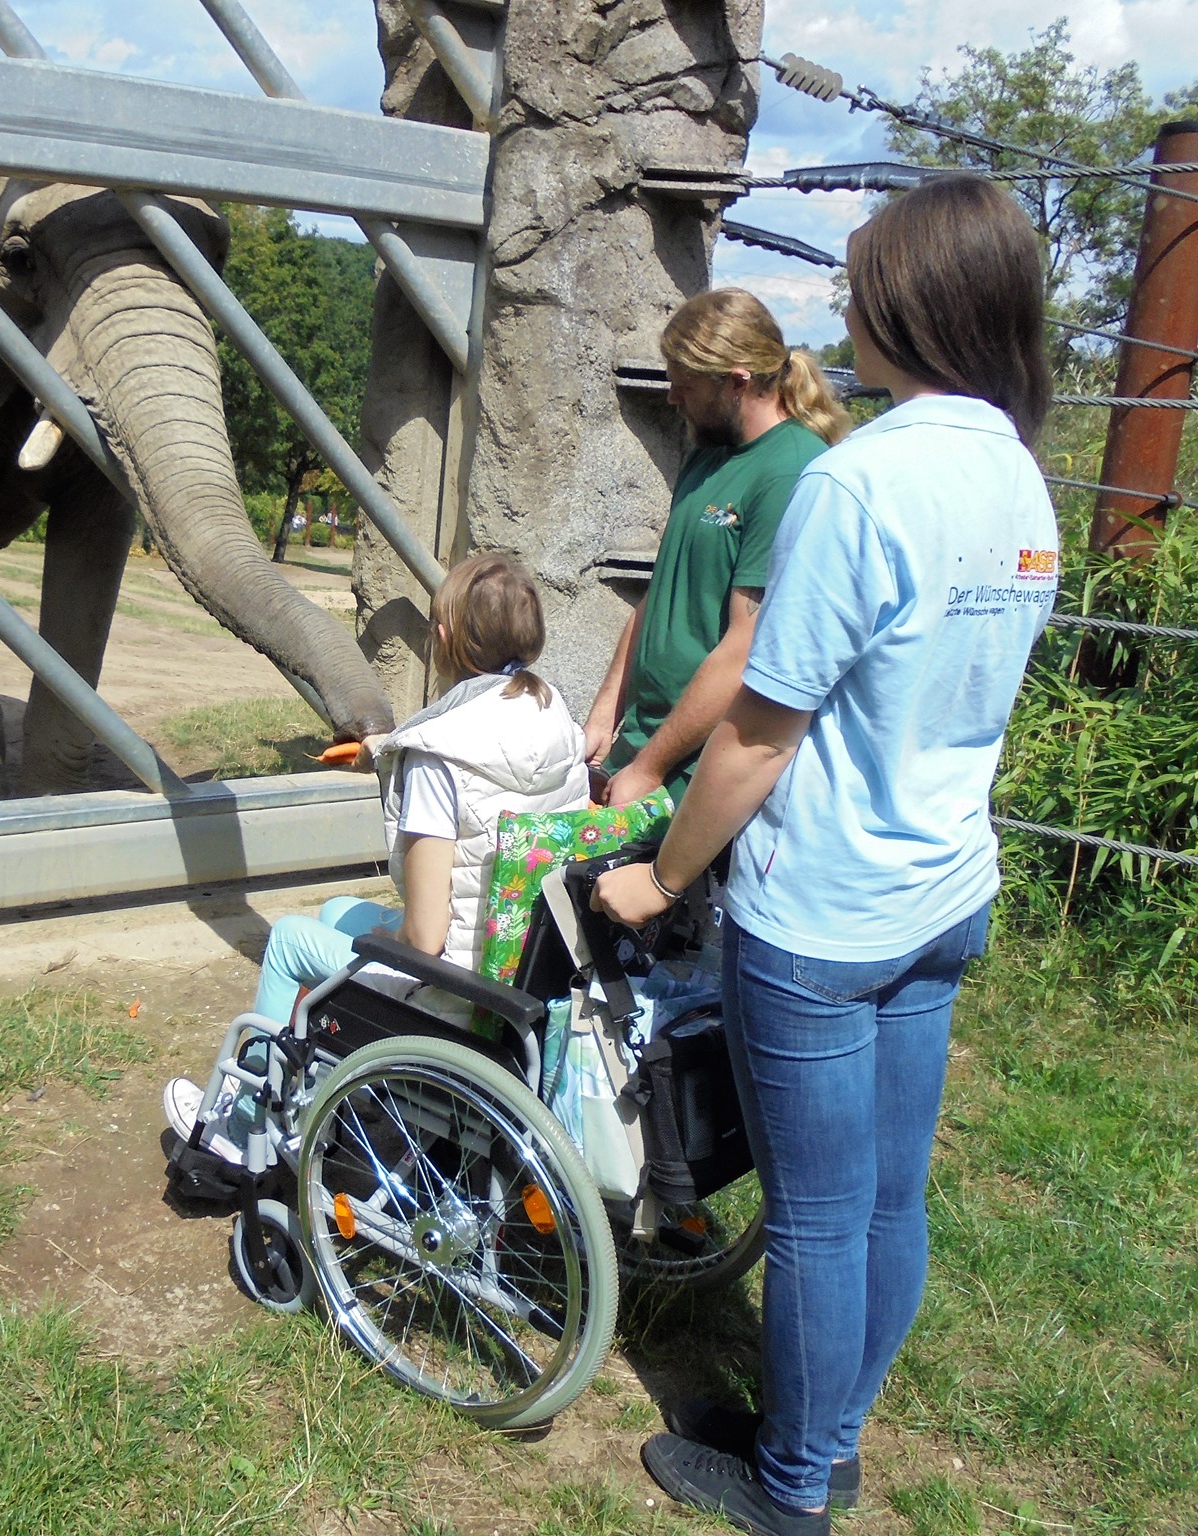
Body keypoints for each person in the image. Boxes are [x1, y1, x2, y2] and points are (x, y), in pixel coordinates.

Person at [594, 175, 1057, 1535]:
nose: (842, 307)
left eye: (858, 283)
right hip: (945, 886)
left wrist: (661, 877)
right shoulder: (1015, 473)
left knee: (813, 1217)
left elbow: (756, 733)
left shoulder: (862, 481)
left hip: (830, 912)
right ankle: (829, 1435)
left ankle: (789, 1486)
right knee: (888, 1200)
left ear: (914, 302)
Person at [164, 551, 589, 1154]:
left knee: (289, 940)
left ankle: (244, 1129)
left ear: (440, 639)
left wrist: (407, 764)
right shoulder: (553, 718)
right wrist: (387, 752)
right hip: (517, 967)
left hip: (453, 993)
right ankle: (318, 1088)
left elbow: (425, 937)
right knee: (340, 911)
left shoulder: (438, 761)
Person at [584, 290, 849, 809]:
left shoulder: (790, 471)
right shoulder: (707, 454)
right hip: (642, 749)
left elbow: (745, 647)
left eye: (685, 385)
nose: (671, 399)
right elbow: (660, 597)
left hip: (696, 771)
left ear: (737, 381)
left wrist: (650, 766)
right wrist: (604, 714)